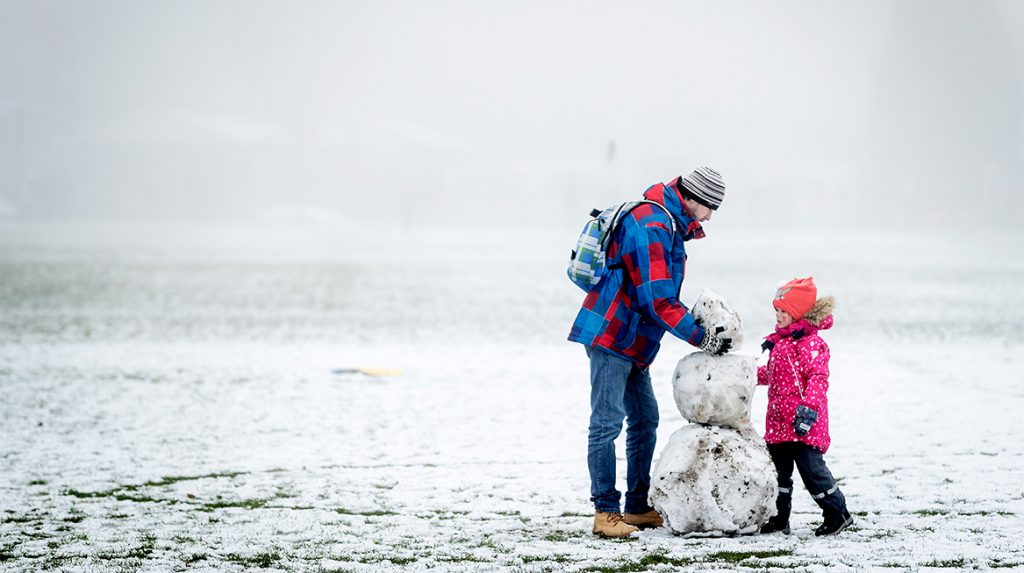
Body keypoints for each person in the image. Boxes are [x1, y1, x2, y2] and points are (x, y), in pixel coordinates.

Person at [568, 167, 733, 538]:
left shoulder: (666, 223)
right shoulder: (652, 224)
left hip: (632, 338)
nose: (709, 217)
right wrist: (701, 337)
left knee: (645, 419)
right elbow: (657, 299)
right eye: (710, 207)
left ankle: (637, 507)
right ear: (693, 198)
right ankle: (605, 512)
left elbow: (657, 297)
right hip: (612, 334)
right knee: (607, 422)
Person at [757, 277, 853, 536]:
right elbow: (773, 375)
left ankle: (837, 513)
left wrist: (809, 409)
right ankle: (779, 518)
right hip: (779, 422)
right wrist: (746, 376)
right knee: (778, 474)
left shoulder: (810, 343)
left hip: (804, 423)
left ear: (798, 312)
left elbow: (818, 378)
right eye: (776, 309)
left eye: (783, 310)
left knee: (812, 472)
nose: (778, 315)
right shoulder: (781, 342)